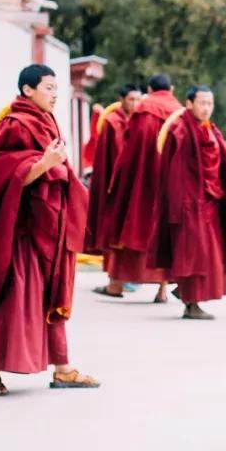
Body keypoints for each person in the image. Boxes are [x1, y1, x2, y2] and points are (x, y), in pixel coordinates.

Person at [0, 64, 97, 396]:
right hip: (20, 232)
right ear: (27, 90)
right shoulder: (13, 125)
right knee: (14, 298)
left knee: (53, 295)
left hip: (50, 226)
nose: (54, 94)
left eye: (56, 88)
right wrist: (43, 166)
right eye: (48, 87)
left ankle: (63, 368)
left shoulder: (46, 121)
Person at [148, 86, 226, 320]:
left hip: (211, 200)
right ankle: (191, 303)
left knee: (209, 255)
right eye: (202, 103)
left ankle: (186, 294)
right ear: (189, 103)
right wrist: (181, 206)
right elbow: (176, 173)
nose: (206, 108)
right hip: (189, 203)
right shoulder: (181, 130)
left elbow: (222, 165)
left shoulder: (210, 129)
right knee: (194, 254)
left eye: (210, 104)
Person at [100, 74, 182, 301]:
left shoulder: (144, 110)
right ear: (172, 89)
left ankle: (115, 286)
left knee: (128, 227)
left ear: (149, 89)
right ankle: (162, 290)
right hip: (168, 185)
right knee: (164, 233)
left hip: (141, 182)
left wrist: (122, 180)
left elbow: (130, 148)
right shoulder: (179, 112)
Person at [84, 84, 141, 296]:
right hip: (114, 186)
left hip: (134, 185)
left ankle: (129, 278)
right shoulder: (111, 122)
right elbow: (108, 157)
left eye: (137, 99)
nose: (134, 104)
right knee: (115, 234)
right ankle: (115, 280)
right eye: (131, 99)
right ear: (122, 99)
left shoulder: (140, 121)